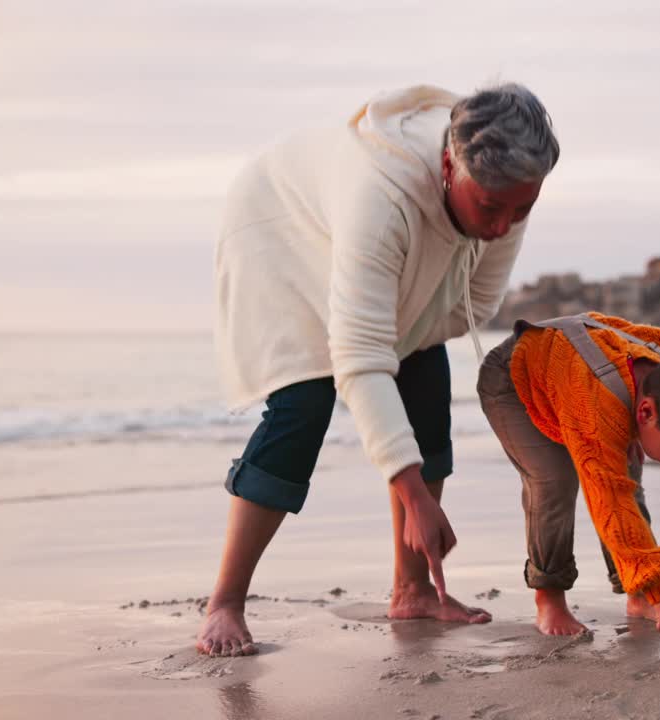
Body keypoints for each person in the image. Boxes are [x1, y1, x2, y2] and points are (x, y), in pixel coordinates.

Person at [196, 83, 560, 657]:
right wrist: (413, 494)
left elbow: (477, 305)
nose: (501, 228)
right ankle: (225, 602)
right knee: (303, 406)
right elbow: (360, 358)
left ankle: (412, 589)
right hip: (278, 227)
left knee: (424, 376)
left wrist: (398, 353)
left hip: (365, 239)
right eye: (490, 209)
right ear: (449, 164)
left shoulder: (505, 189)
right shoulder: (381, 195)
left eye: (522, 210)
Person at [476, 312, 660, 646]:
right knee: (555, 481)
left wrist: (633, 434)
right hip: (513, 382)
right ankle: (549, 598)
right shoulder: (598, 407)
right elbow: (610, 500)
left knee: (627, 474)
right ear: (646, 412)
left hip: (578, 382)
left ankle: (637, 594)